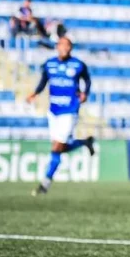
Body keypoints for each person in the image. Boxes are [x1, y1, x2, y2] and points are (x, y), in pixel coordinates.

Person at [25, 37, 95, 195]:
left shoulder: (78, 64)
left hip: (69, 110)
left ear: (71, 48)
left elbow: (87, 80)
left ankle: (45, 184)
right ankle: (84, 142)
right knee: (59, 147)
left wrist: (85, 93)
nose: (65, 48)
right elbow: (43, 81)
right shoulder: (49, 64)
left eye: (68, 45)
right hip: (53, 110)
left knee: (57, 147)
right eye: (63, 45)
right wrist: (34, 94)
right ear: (57, 47)